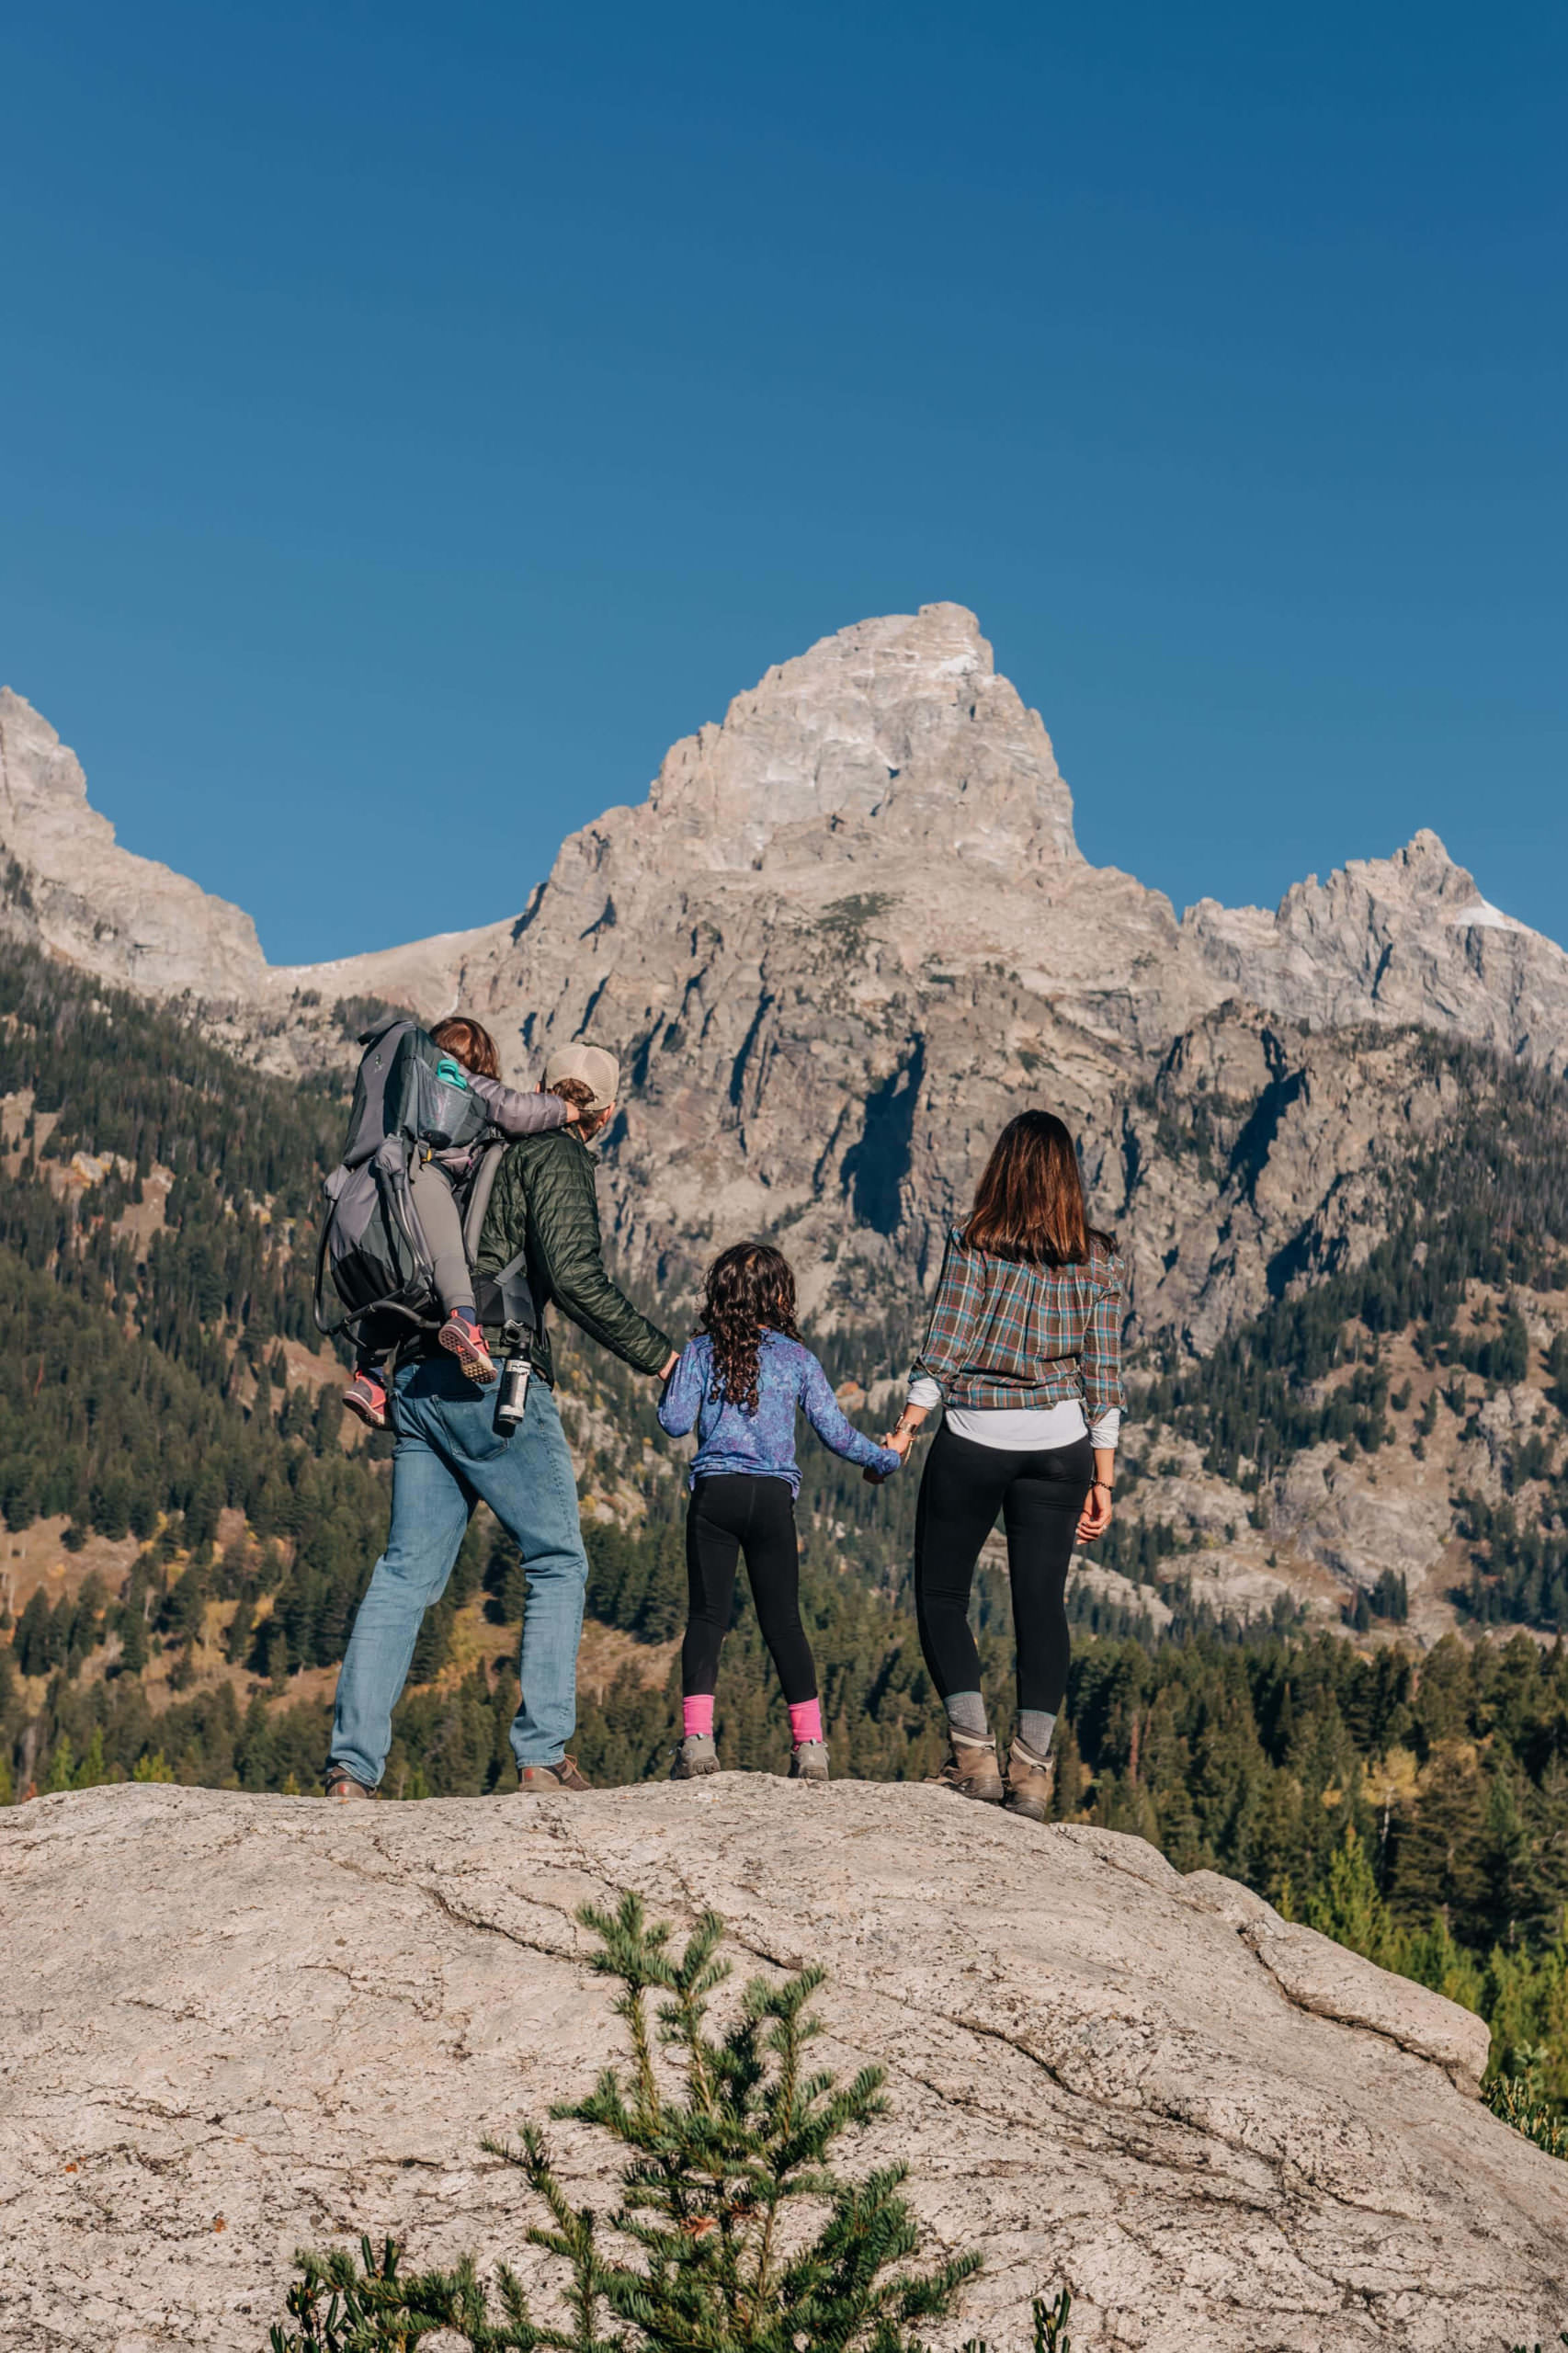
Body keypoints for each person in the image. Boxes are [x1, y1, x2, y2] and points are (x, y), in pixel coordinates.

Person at [324, 1040, 678, 1800]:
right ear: (605, 1115)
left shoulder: (467, 1140)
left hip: (415, 1373)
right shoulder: (554, 1156)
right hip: (493, 1379)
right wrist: (662, 1357)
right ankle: (543, 1756)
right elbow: (575, 1277)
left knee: (404, 1574)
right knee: (557, 1561)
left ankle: (352, 1768)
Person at [883, 1110, 1123, 1822]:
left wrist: (903, 1432)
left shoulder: (976, 1242)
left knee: (941, 1596)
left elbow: (946, 1342)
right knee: (1042, 1608)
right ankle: (1034, 1775)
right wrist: (1103, 1480)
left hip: (975, 1437)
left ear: (1005, 1166)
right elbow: (1102, 1376)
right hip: (1062, 1447)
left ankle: (973, 1757)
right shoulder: (1099, 1258)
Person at [657, 1243, 902, 1783]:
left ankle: (697, 1743)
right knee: (785, 1624)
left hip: (716, 1493)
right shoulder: (797, 1359)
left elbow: (674, 1424)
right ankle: (810, 1747)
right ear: (780, 1296)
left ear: (719, 1294)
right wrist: (886, 1458)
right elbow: (836, 1433)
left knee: (707, 1618)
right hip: (772, 1501)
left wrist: (673, 1379)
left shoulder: (700, 1351)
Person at [342, 1016, 581, 1431]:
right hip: (425, 1176)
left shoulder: (407, 1084)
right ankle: (464, 1321)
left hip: (380, 1189)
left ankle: (368, 1377)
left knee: (394, 1284)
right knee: (447, 1253)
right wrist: (568, 1109)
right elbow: (515, 1110)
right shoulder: (465, 1080)